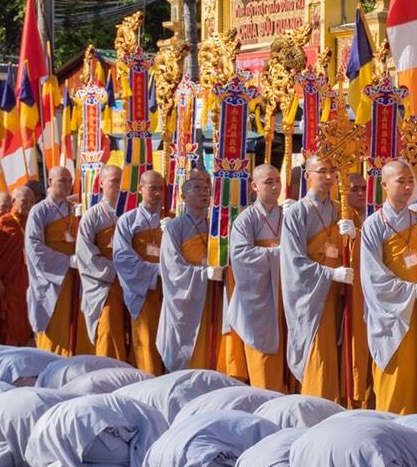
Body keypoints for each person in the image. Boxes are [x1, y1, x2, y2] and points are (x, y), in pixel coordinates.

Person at [281, 157, 357, 404]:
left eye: (332, 170)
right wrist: (329, 274)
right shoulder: (296, 213)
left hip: (341, 291)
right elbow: (293, 261)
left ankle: (344, 405)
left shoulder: (343, 211)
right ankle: (316, 408)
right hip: (313, 295)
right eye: (322, 171)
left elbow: (366, 254)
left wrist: (356, 236)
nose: (328, 177)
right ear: (308, 176)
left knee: (344, 353)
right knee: (320, 354)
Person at [360, 160, 417, 411]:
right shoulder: (373, 225)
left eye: (411, 181)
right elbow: (373, 277)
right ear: (384, 184)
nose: (408, 186)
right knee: (395, 375)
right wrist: (411, 291)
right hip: (392, 312)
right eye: (401, 181)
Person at [222, 163, 288, 388]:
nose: (275, 186)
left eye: (277, 180)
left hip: (287, 290)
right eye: (268, 182)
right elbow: (241, 256)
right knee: (264, 351)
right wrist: (278, 254)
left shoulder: (289, 215)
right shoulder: (245, 219)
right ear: (254, 186)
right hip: (261, 295)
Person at [155, 171, 223, 371]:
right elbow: (172, 266)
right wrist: (203, 273)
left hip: (211, 292)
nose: (204, 193)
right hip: (188, 293)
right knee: (185, 345)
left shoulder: (215, 225)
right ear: (184, 196)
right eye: (197, 189)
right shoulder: (175, 227)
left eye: (206, 190)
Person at [114, 169, 170, 375]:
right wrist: (156, 271)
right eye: (152, 188)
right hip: (144, 289)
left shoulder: (170, 219)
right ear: (140, 190)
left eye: (160, 189)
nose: (157, 194)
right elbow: (122, 258)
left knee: (169, 337)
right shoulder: (127, 221)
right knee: (147, 338)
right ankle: (148, 381)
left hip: (169, 288)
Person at [75, 164, 132, 362]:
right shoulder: (92, 216)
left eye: (122, 182)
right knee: (109, 327)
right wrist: (115, 271)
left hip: (132, 280)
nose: (119, 186)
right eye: (114, 181)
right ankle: (106, 372)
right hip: (106, 283)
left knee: (133, 329)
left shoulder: (130, 213)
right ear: (101, 184)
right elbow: (85, 254)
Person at [23, 167, 83, 355]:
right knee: (53, 323)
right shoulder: (39, 211)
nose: (67, 185)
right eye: (61, 180)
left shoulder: (74, 209)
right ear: (50, 182)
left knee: (72, 323)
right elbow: (34, 247)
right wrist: (66, 261)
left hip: (73, 276)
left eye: (69, 180)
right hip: (52, 278)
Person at [0, 183, 34, 346]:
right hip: (9, 281)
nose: (28, 205)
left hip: (27, 277)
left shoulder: (32, 220)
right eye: (24, 201)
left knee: (26, 316)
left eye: (31, 202)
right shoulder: (5, 222)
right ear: (14, 201)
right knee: (12, 319)